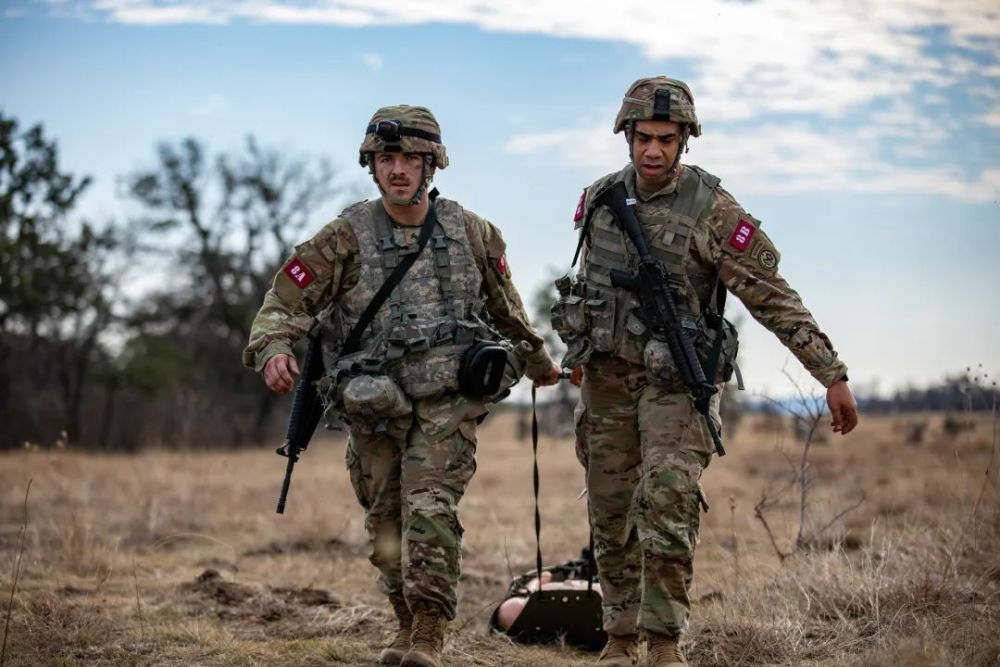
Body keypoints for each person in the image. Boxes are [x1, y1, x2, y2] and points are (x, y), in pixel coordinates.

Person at [551, 77, 859, 667]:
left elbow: (773, 297)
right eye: (643, 138)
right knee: (612, 511)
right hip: (608, 382)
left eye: (666, 139)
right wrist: (580, 355)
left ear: (685, 140)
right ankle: (618, 641)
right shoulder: (598, 198)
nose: (653, 151)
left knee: (667, 500)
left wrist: (831, 373)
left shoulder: (714, 211)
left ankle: (664, 645)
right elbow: (589, 286)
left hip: (674, 387)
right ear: (626, 135)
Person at [243, 105, 560, 667]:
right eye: (387, 158)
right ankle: (405, 625)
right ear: (372, 165)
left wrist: (540, 363)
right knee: (385, 522)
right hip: (374, 405)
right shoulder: (344, 238)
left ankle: (430, 635)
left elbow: (507, 312)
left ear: (432, 165)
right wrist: (273, 348)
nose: (397, 169)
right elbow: (284, 303)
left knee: (430, 507)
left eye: (410, 158)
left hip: (448, 399)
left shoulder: (473, 233)